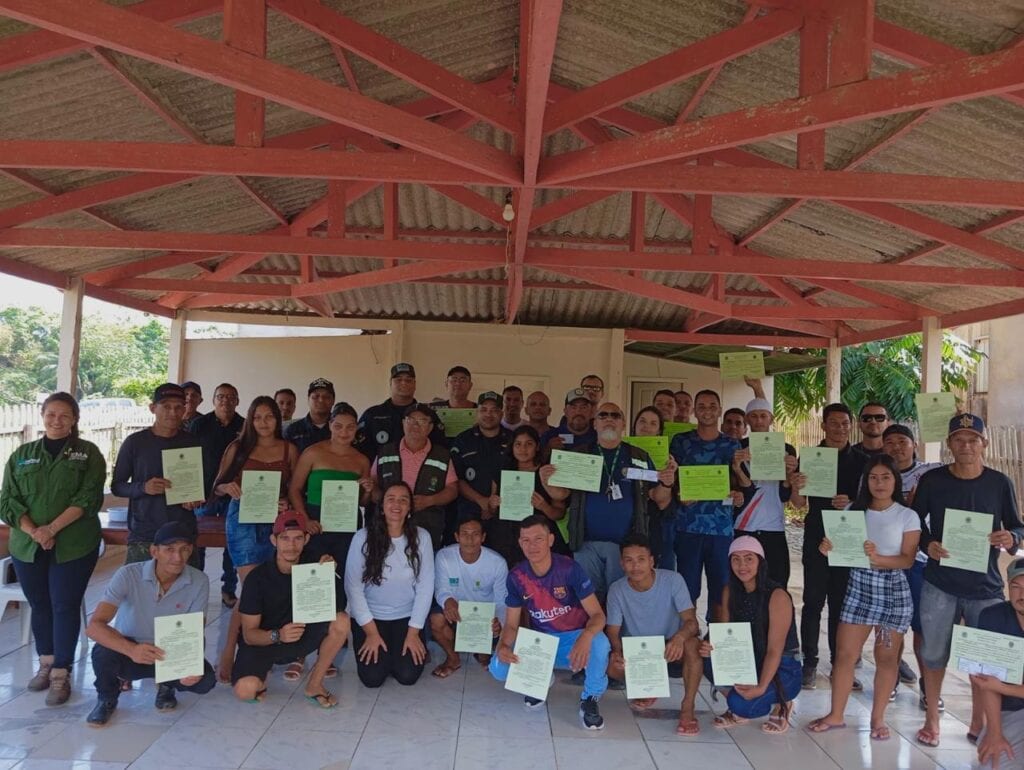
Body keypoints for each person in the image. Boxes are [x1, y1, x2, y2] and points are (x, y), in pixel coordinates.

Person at [913, 414, 1023, 749]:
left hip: (985, 587)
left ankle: (980, 721)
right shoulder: (933, 481)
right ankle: (932, 717)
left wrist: (1010, 538)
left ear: (984, 445)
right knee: (933, 654)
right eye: (959, 439)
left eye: (973, 439)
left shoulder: (999, 482)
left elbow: (1018, 527)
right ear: (949, 445)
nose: (966, 446)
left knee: (984, 658)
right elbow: (914, 521)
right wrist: (926, 543)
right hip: (940, 582)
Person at [0, 392, 104, 706]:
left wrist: (52, 529)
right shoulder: (21, 455)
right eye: (51, 414)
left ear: (74, 420)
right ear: (42, 415)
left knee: (64, 605)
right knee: (39, 604)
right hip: (27, 546)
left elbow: (88, 498)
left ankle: (62, 672)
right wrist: (34, 531)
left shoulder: (88, 453)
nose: (57, 420)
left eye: (64, 415)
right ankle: (45, 664)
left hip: (73, 544)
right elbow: (7, 500)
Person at [809, 455, 920, 741]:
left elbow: (907, 560)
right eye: (873, 477)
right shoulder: (851, 510)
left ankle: (878, 719)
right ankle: (836, 715)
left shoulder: (907, 515)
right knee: (845, 655)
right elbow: (839, 550)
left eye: (885, 477)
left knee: (886, 658)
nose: (879, 483)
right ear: (865, 481)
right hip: (859, 586)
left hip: (893, 591)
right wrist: (828, 548)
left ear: (895, 480)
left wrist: (877, 557)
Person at [85, 522, 216, 726]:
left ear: (191, 550)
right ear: (154, 551)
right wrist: (132, 649)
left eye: (184, 550)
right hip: (131, 648)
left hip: (169, 651)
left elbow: (195, 630)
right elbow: (94, 626)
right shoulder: (128, 574)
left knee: (205, 682)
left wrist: (190, 665)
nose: (177, 557)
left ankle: (167, 686)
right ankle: (107, 698)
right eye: (169, 550)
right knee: (102, 653)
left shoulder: (199, 580)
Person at [489, 514, 611, 730]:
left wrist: (586, 636)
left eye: (538, 539)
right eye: (526, 540)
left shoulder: (569, 569)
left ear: (551, 540)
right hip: (541, 642)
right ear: (519, 543)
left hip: (574, 639)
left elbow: (598, 615)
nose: (532, 546)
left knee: (600, 643)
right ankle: (540, 679)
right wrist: (505, 646)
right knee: (498, 668)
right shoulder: (516, 576)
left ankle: (590, 699)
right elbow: (511, 625)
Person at [543, 402, 674, 601]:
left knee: (622, 599)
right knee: (589, 600)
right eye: (603, 415)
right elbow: (560, 495)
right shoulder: (579, 455)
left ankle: (617, 634)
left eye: (615, 415)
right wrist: (546, 481)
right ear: (594, 423)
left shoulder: (638, 456)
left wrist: (667, 482)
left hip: (625, 546)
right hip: (585, 543)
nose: (609, 419)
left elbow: (658, 497)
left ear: (623, 424)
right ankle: (596, 633)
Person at [211, 396, 299, 682]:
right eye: (258, 417)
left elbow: (296, 489)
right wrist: (229, 486)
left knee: (273, 584)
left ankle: (262, 646)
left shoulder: (289, 450)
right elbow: (217, 487)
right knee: (250, 588)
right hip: (244, 522)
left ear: (278, 419)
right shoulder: (238, 447)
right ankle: (228, 652)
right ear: (250, 419)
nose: (264, 423)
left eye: (269, 416)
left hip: (275, 524)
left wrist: (286, 502)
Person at [232, 510, 350, 707]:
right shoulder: (257, 578)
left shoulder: (315, 567)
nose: (291, 545)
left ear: (306, 539)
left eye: (297, 538)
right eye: (285, 538)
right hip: (266, 641)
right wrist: (278, 635)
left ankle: (314, 685)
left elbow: (335, 608)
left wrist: (329, 576)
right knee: (245, 691)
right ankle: (261, 676)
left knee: (341, 620)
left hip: (300, 636)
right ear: (273, 540)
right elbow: (249, 635)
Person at [789, 402, 868, 689]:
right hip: (816, 537)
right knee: (812, 602)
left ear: (851, 426)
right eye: (833, 423)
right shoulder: (811, 457)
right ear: (823, 426)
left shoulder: (861, 460)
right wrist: (796, 485)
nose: (839, 428)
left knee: (841, 604)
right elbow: (797, 505)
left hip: (848, 539)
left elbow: (871, 502)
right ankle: (809, 662)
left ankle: (840, 665)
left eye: (845, 423)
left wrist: (851, 503)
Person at [698, 536, 801, 733]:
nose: (742, 565)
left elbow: (775, 650)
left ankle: (782, 702)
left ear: (760, 562)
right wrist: (711, 646)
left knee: (741, 705)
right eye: (735, 559)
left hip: (783, 666)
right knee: (703, 656)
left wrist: (761, 686)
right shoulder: (730, 590)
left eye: (748, 558)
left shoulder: (777, 596)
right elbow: (726, 635)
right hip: (750, 659)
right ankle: (745, 698)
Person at [289, 402, 372, 631]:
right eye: (338, 426)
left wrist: (367, 489)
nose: (344, 433)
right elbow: (294, 489)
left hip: (347, 525)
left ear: (357, 429)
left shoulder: (361, 460)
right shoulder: (313, 452)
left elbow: (363, 502)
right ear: (330, 426)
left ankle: (334, 633)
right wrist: (305, 520)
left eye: (350, 427)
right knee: (312, 576)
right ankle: (304, 637)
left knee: (343, 576)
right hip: (316, 523)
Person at [605, 534, 701, 732]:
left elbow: (692, 623)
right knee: (610, 666)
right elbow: (612, 630)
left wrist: (679, 638)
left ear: (651, 561)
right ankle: (646, 685)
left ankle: (687, 706)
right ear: (622, 563)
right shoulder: (617, 589)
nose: (635, 566)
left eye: (641, 559)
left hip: (671, 646)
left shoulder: (673, 580)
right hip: (639, 650)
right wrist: (617, 651)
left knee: (693, 645)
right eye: (629, 560)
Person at [345, 482, 434, 687]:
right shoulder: (363, 537)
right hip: (371, 618)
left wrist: (413, 633)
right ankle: (387, 654)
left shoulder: (422, 537)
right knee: (372, 678)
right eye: (391, 499)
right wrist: (371, 633)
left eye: (404, 500)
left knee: (407, 675)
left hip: (406, 617)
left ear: (410, 507)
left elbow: (425, 587)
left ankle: (402, 651)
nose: (397, 504)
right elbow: (353, 588)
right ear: (382, 506)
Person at [669, 389, 746, 621]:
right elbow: (671, 478)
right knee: (687, 591)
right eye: (701, 406)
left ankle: (717, 643)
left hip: (720, 529)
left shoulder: (733, 445)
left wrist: (738, 495)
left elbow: (738, 484)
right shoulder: (681, 442)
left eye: (712, 406)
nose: (707, 411)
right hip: (688, 527)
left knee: (721, 591)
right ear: (694, 411)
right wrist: (678, 493)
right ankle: (688, 640)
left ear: (720, 410)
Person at [882, 423, 943, 701]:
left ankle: (927, 688)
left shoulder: (931, 474)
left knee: (923, 628)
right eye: (890, 442)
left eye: (902, 441)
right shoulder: (877, 476)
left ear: (914, 444)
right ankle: (890, 678)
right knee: (891, 627)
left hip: (919, 563)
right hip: (887, 563)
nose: (896, 447)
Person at [111, 383, 203, 564]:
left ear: (185, 409)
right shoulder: (135, 443)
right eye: (166, 406)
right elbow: (117, 486)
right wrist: (143, 487)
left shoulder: (192, 442)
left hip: (182, 531)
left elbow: (203, 483)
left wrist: (196, 498)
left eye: (178, 407)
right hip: (145, 533)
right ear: (153, 408)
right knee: (140, 587)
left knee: (185, 588)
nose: (173, 412)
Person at [429, 513, 508, 678]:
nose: (470, 540)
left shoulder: (497, 562)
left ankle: (483, 653)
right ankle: (453, 659)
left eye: (475, 534)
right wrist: (447, 601)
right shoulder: (444, 557)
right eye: (464, 534)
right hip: (457, 614)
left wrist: (498, 623)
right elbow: (441, 588)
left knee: (490, 648)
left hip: (485, 618)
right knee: (436, 620)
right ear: (457, 536)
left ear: (483, 537)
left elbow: (502, 601)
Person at [186, 382, 244, 607]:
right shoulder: (199, 425)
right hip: (203, 495)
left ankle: (228, 589)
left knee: (232, 542)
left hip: (235, 495)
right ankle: (196, 588)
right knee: (198, 542)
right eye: (221, 397)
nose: (225, 401)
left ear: (237, 401)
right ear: (213, 400)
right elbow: (188, 460)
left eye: (231, 397)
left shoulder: (245, 426)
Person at [371, 404, 458, 551]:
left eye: (422, 421)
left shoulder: (442, 455)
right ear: (403, 423)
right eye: (410, 420)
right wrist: (384, 500)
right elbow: (373, 483)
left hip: (427, 525)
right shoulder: (385, 451)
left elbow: (453, 489)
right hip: (388, 526)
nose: (415, 425)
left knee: (423, 567)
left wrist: (429, 500)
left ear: (430, 427)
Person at [732, 397, 798, 589]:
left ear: (771, 418)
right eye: (754, 416)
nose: (759, 421)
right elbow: (739, 490)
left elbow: (785, 495)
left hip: (774, 527)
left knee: (777, 584)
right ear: (747, 420)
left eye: (763, 416)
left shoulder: (786, 449)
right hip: (744, 525)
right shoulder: (737, 448)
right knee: (743, 586)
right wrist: (737, 466)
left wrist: (789, 474)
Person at [491, 425, 569, 564]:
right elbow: (490, 509)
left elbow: (559, 513)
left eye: (529, 444)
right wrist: (492, 503)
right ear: (512, 447)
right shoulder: (503, 473)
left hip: (539, 542)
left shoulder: (547, 472)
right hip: (508, 539)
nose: (523, 449)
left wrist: (544, 506)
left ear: (537, 446)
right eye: (518, 444)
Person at [973, 558, 1024, 769]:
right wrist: (995, 733)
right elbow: (986, 682)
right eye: (1016, 587)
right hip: (1011, 711)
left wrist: (1002, 687)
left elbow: (994, 684)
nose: (1022, 595)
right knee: (995, 761)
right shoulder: (993, 617)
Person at [452, 391, 511, 544]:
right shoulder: (463, 440)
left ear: (502, 413)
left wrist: (492, 505)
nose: (488, 414)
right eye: (484, 409)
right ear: (477, 412)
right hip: (469, 511)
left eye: (494, 410)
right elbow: (457, 479)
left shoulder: (513, 440)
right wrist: (482, 501)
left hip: (506, 510)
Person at [358, 363, 443, 461]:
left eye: (408, 380)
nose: (403, 383)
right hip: (380, 473)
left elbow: (440, 448)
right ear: (390, 383)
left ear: (415, 384)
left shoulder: (428, 415)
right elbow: (358, 450)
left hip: (420, 473)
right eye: (398, 380)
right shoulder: (372, 414)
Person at [630, 406, 678, 571]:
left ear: (659, 431)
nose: (646, 427)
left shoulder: (668, 458)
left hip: (656, 521)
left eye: (653, 423)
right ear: (634, 426)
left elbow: (663, 500)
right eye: (642, 421)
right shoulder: (621, 452)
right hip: (628, 521)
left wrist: (669, 474)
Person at [285, 378, 335, 453]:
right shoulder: (292, 431)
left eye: (326, 397)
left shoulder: (341, 429)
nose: (321, 400)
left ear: (333, 400)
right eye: (316, 396)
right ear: (308, 399)